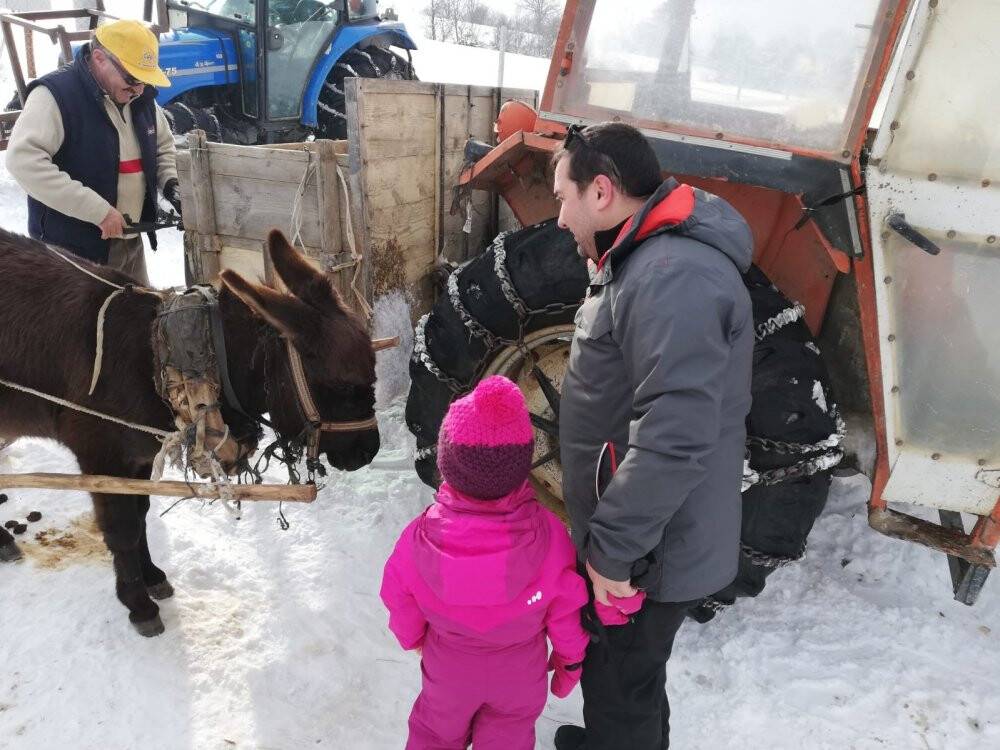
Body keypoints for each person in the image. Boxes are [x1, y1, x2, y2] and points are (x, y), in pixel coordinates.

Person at [552, 122, 755, 750]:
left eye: (564, 197)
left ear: (603, 192)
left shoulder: (671, 275)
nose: (560, 218)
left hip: (647, 549)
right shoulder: (647, 261)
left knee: (620, 679)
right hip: (647, 537)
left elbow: (676, 435)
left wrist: (612, 549)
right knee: (632, 677)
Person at [380, 375, 590, 750]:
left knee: (435, 734)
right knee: (509, 737)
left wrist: (413, 638)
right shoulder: (551, 537)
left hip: (449, 672)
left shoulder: (419, 539)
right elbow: (567, 611)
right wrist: (568, 663)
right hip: (520, 677)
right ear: (522, 463)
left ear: (448, 462)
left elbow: (398, 596)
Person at [5, 19, 182, 285]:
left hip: (129, 243)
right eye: (132, 78)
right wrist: (97, 211)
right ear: (99, 59)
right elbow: (23, 161)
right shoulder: (56, 95)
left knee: (138, 322)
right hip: (71, 253)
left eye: (145, 80)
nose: (140, 88)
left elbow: (163, 148)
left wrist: (171, 185)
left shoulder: (139, 98)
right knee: (80, 326)